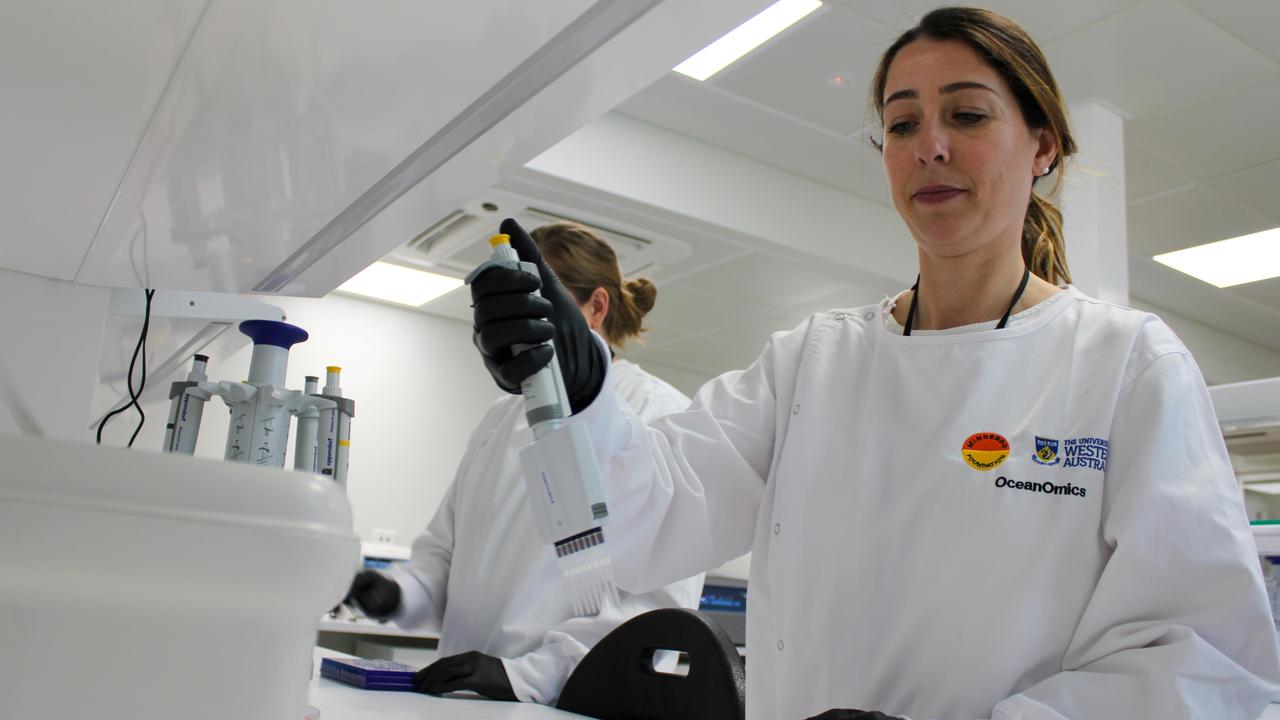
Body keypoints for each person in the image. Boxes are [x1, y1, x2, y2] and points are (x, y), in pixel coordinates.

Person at [467, 7, 1280, 720]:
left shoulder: (1125, 366)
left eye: (965, 115)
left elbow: (1205, 661)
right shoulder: (811, 362)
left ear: (1043, 146)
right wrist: (574, 386)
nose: (929, 146)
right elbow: (648, 520)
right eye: (901, 124)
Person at [349, 222, 704, 705]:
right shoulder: (501, 417)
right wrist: (399, 593)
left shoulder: (659, 412)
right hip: (456, 695)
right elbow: (445, 553)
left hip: (564, 704)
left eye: (537, 304)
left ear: (595, 308)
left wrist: (525, 677)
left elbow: (655, 608)